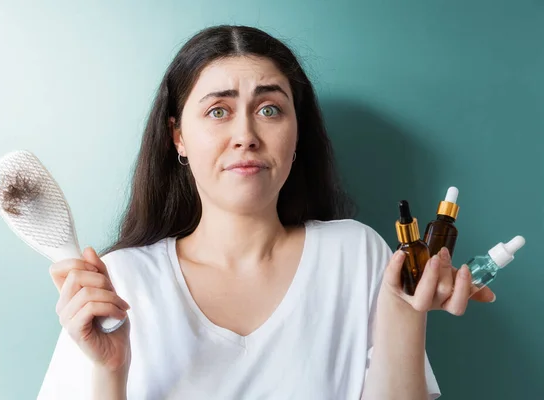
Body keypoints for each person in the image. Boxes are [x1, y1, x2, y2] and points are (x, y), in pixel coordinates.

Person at [37, 25, 495, 400]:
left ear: (298, 133)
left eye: (270, 109)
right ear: (177, 136)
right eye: (218, 111)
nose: (245, 135)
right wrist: (110, 373)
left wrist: (405, 314)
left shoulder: (356, 254)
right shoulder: (117, 284)